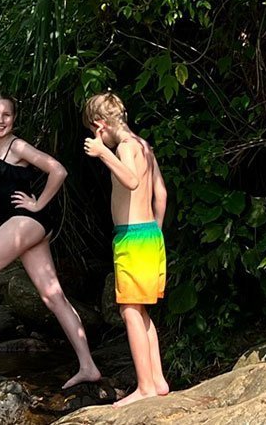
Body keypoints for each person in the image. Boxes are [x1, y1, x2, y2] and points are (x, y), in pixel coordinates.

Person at [0, 91, 101, 389]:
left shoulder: (17, 146)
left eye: (6, 114)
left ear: (14, 118)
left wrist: (38, 204)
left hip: (27, 221)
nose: (0, 120)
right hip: (20, 227)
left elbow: (58, 170)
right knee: (52, 296)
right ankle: (89, 366)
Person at [82, 91, 169, 407]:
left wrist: (103, 153)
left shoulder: (125, 148)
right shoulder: (145, 146)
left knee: (129, 310)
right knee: (139, 310)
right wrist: (156, 230)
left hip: (132, 238)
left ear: (99, 126)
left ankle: (145, 386)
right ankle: (157, 381)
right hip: (148, 235)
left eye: (95, 133)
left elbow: (132, 181)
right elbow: (161, 193)